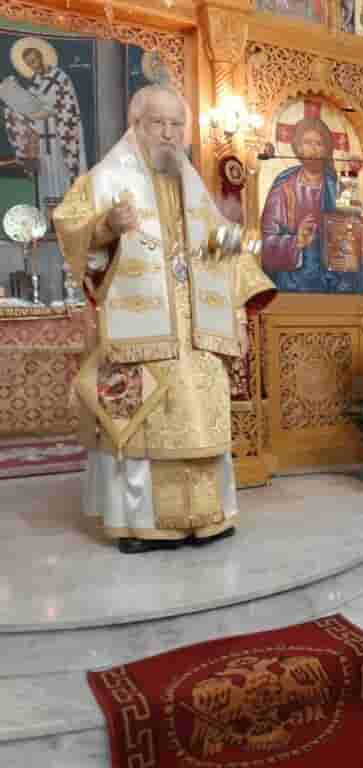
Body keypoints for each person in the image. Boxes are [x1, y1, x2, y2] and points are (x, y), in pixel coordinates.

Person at [52, 85, 275, 554]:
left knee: (200, 420)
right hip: (140, 331)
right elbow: (71, 229)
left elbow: (220, 251)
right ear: (136, 125)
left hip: (197, 332)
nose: (169, 133)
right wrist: (107, 226)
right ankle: (141, 525)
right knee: (142, 425)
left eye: (177, 124)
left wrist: (240, 289)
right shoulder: (106, 179)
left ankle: (207, 517)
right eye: (158, 123)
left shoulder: (192, 185)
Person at [261, 117, 363, 293]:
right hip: (292, 286)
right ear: (298, 147)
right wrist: (296, 241)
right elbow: (264, 244)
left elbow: (355, 232)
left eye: (319, 143)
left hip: (333, 284)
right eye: (307, 143)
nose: (314, 149)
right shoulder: (284, 188)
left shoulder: (338, 187)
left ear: (326, 149)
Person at [2, 37, 88, 217]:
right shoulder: (35, 83)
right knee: (45, 178)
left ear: (41, 57)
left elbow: (68, 106)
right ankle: (47, 219)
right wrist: (11, 102)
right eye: (28, 63)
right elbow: (29, 109)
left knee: (61, 174)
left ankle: (65, 217)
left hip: (59, 136)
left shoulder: (60, 77)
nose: (32, 65)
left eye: (34, 60)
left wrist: (48, 110)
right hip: (41, 139)